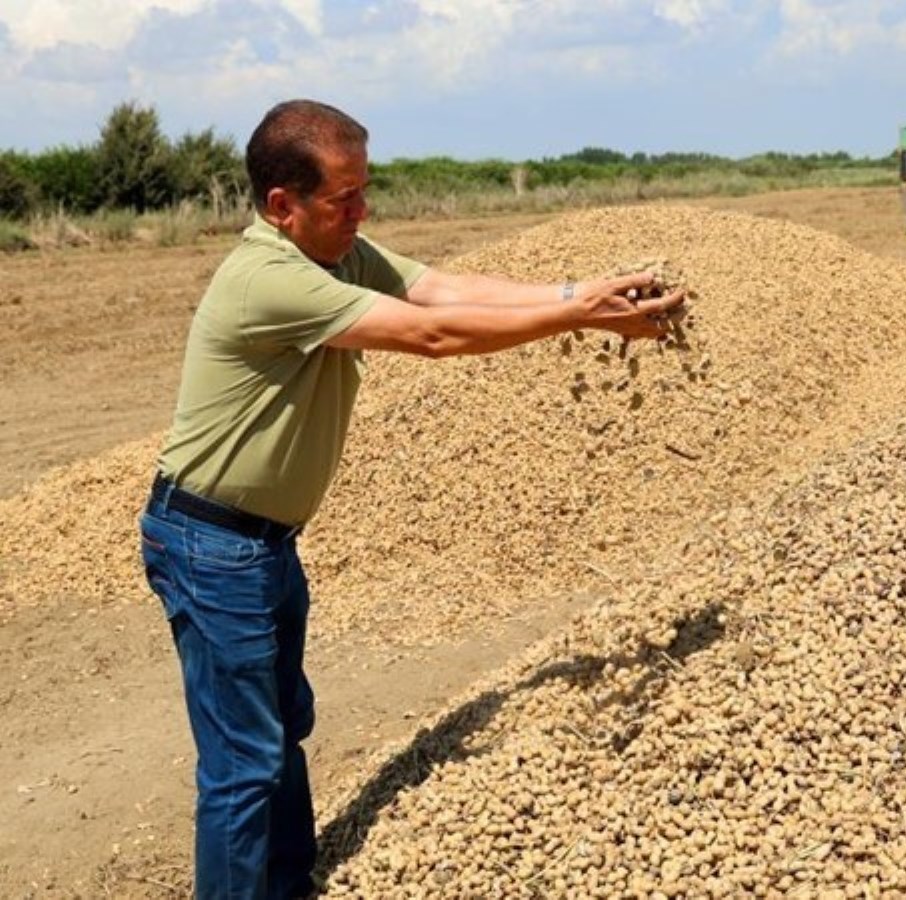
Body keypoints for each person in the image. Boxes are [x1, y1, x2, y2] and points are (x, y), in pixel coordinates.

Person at [138, 99, 684, 898]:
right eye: (344, 198)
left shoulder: (336, 253)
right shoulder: (271, 278)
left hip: (260, 542)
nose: (362, 212)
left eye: (365, 190)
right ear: (283, 205)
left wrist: (579, 292)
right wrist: (576, 317)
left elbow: (443, 291)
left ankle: (284, 884)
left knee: (280, 730)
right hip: (211, 543)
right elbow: (432, 336)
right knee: (243, 762)